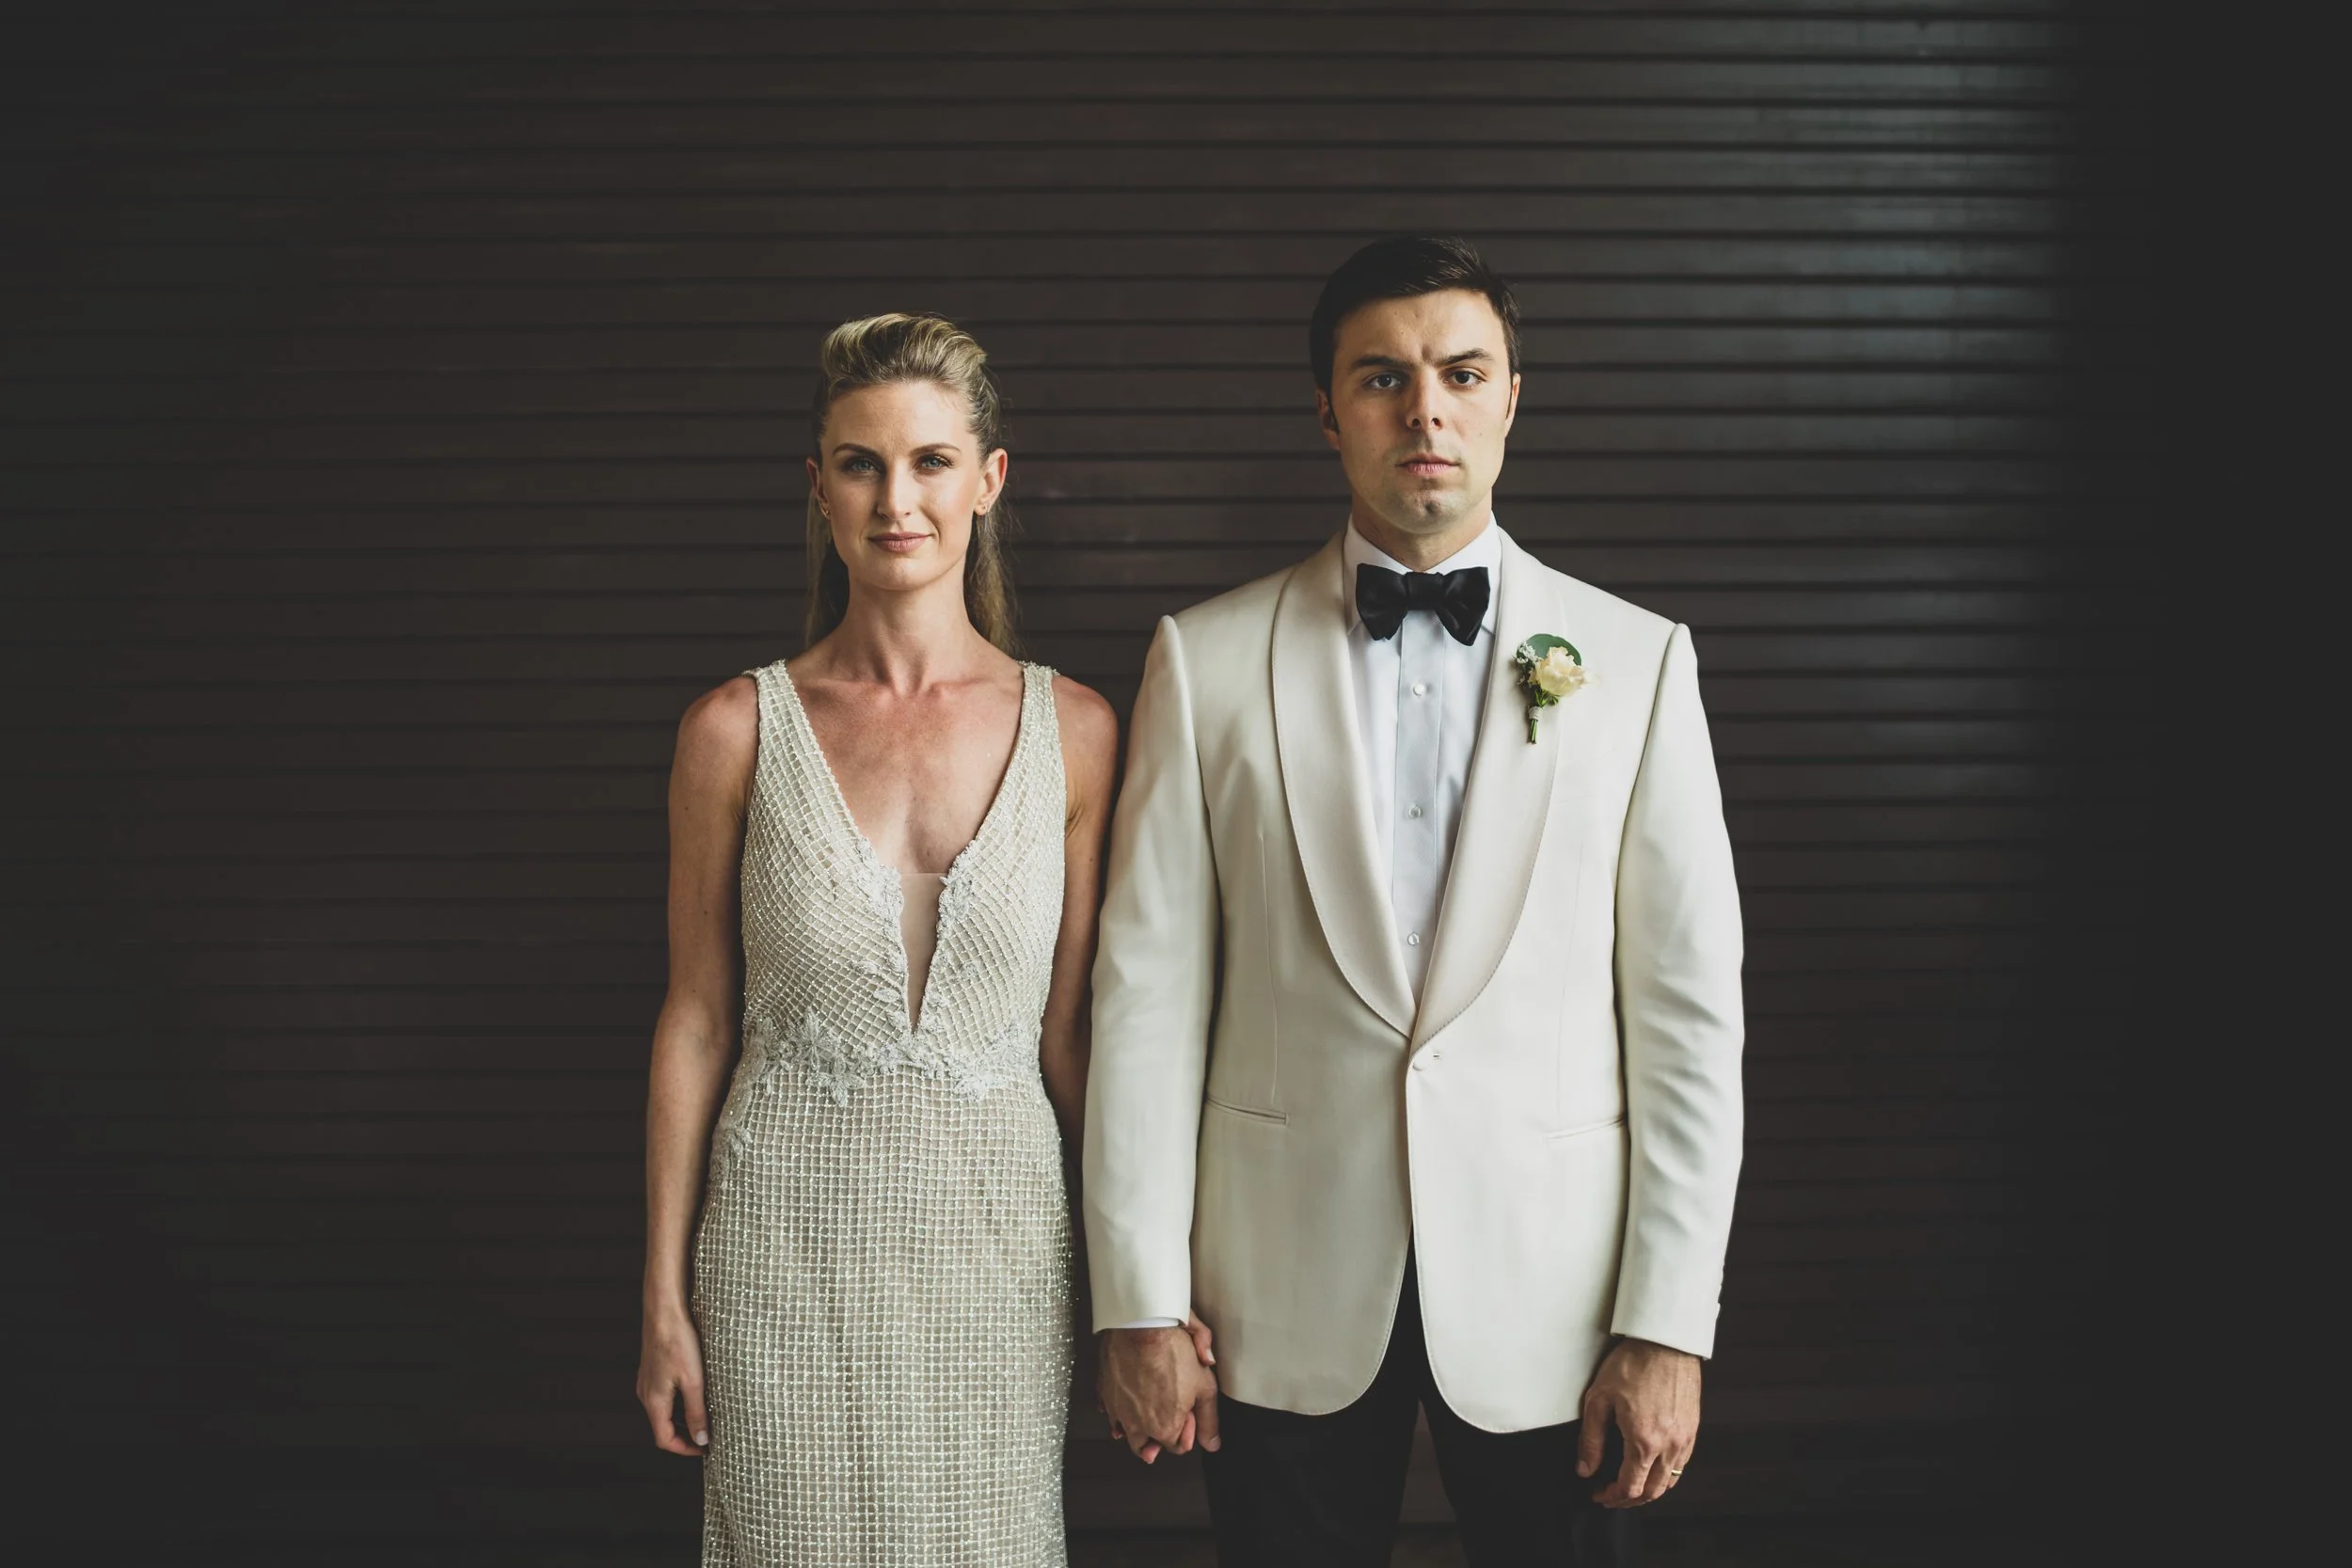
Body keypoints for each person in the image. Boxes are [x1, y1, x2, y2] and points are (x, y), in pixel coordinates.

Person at [1085, 237, 1747, 1566]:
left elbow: (1687, 1023)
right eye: (1383, 378)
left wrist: (1669, 1321)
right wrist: (1138, 1299)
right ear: (1328, 413)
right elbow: (1145, 1002)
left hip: (1556, 1295)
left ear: (1512, 396)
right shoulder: (1203, 661)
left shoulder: (1636, 662)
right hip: (1275, 1294)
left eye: (1461, 373)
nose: (1425, 410)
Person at [632, 312, 1125, 1566]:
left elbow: (1071, 1039)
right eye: (860, 463)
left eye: (929, 461)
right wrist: (661, 1299)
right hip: (779, 1254)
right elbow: (695, 1019)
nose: (896, 497)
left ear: (988, 480)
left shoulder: (1078, 732)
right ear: (819, 487)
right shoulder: (733, 730)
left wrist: (1147, 1293)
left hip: (998, 1262)